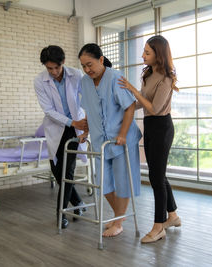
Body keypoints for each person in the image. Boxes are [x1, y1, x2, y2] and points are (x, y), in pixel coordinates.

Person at [118, 35, 181, 243]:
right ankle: (172, 216)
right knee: (158, 175)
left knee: (155, 178)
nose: (142, 55)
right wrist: (125, 107)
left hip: (162, 127)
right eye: (143, 51)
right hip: (151, 127)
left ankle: (158, 226)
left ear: (158, 54)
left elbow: (154, 108)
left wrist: (133, 90)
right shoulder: (148, 74)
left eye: (147, 52)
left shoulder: (166, 78)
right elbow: (144, 103)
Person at [77, 43, 142, 237]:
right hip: (100, 140)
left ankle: (119, 222)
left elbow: (130, 107)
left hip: (122, 139)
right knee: (103, 183)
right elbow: (89, 109)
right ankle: (118, 217)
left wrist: (122, 134)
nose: (88, 70)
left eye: (90, 64)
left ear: (101, 60)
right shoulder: (85, 82)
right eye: (84, 66)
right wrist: (86, 132)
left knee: (122, 182)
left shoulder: (115, 77)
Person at [34, 45, 87, 229]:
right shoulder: (40, 81)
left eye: (56, 67)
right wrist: (72, 122)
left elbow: (87, 98)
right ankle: (79, 203)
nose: (54, 72)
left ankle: (61, 214)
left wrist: (84, 121)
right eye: (49, 68)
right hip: (57, 127)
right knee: (57, 170)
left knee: (67, 171)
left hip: (75, 129)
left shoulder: (77, 75)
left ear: (63, 62)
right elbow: (48, 110)